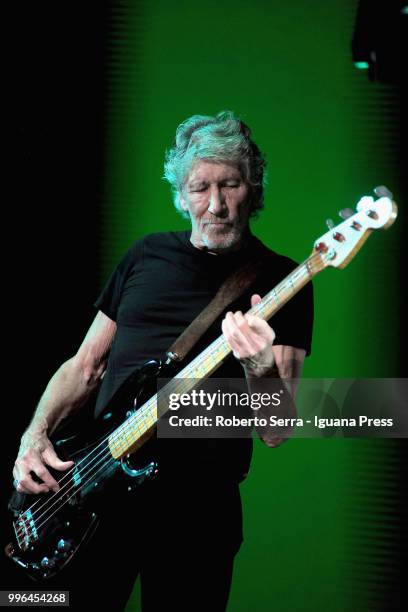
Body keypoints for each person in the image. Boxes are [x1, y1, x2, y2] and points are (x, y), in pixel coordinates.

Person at [11, 111, 313, 610]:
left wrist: (259, 365)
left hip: (198, 511)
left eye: (231, 185)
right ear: (181, 193)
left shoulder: (283, 282)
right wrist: (35, 433)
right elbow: (85, 366)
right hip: (93, 494)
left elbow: (277, 429)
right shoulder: (145, 256)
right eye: (200, 188)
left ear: (253, 188)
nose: (215, 205)